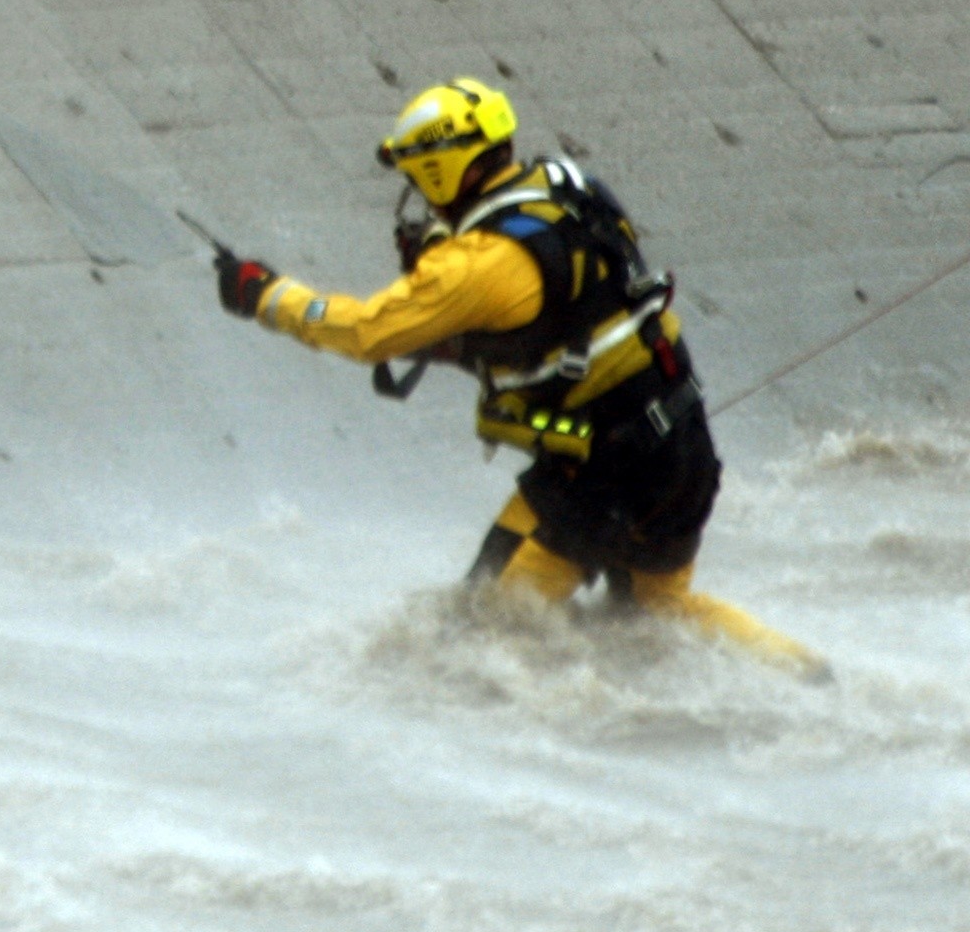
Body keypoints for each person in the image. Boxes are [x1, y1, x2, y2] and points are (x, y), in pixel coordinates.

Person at [214, 77, 829, 682]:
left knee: (476, 636)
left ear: (439, 172)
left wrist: (266, 296)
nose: (418, 196)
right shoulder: (565, 187)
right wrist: (438, 249)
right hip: (683, 453)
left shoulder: (473, 269)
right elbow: (551, 306)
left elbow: (366, 333)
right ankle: (805, 676)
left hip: (597, 477)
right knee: (658, 618)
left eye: (416, 178)